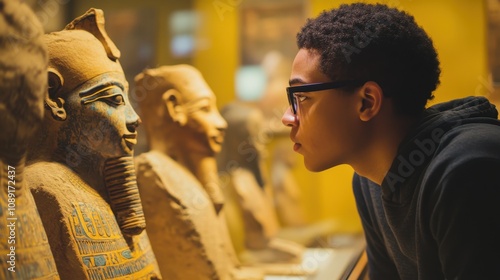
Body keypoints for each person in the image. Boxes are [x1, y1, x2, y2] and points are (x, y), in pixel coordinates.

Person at [281, 3, 500, 279]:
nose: (287, 117)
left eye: (301, 97)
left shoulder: (467, 171)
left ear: (367, 102)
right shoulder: (369, 180)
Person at [26, 9, 161, 279]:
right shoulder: (41, 191)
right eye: (113, 100)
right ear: (53, 98)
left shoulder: (107, 192)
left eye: (126, 99)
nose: (134, 118)